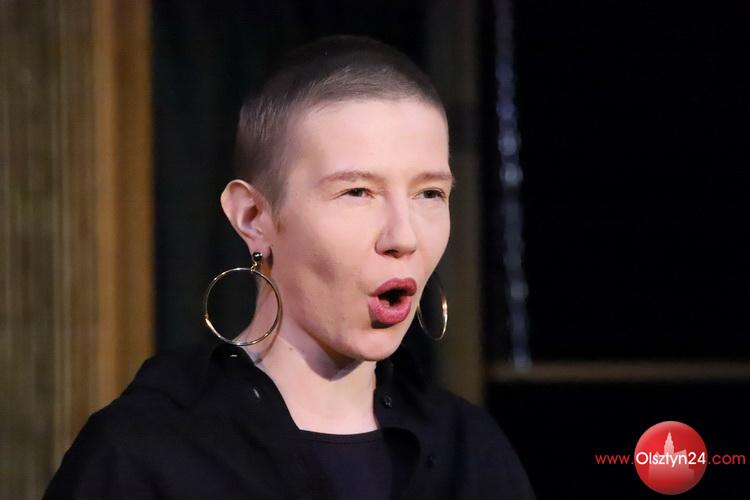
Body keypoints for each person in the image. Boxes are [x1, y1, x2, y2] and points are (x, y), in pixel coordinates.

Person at [45, 35, 534, 499]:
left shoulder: (471, 454)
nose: (403, 237)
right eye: (357, 192)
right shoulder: (143, 455)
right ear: (252, 217)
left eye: (429, 193)